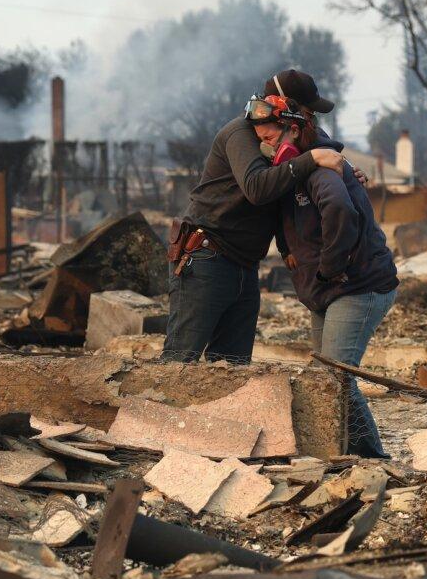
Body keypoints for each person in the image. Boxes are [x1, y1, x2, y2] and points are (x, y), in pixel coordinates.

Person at [161, 69, 364, 363]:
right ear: (283, 105)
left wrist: (343, 166)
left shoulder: (289, 136)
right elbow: (257, 188)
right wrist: (311, 159)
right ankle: (151, 411)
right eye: (307, 112)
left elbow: (289, 190)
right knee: (180, 360)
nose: (311, 122)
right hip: (206, 258)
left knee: (232, 367)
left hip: (244, 264)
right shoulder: (241, 134)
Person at [252, 95, 399, 458]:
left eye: (272, 138)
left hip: (359, 286)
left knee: (335, 379)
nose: (266, 146)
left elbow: (338, 209)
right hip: (327, 290)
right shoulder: (297, 172)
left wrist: (330, 268)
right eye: (262, 139)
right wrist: (289, 252)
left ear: (295, 129)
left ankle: (371, 456)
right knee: (325, 378)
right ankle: (340, 453)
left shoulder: (321, 169)